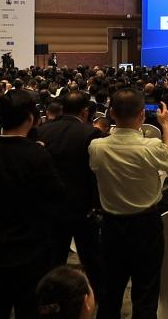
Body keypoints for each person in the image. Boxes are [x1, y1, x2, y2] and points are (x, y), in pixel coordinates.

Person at [0, 89, 65, 319]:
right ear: (31, 118)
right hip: (30, 249)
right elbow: (57, 197)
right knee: (29, 310)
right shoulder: (38, 155)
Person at [88, 90, 168, 319]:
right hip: (146, 226)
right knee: (146, 292)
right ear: (142, 115)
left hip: (111, 226)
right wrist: (166, 125)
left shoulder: (96, 146)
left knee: (110, 291)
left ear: (111, 113)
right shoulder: (151, 146)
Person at [33, 91, 105, 294]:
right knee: (92, 260)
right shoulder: (91, 134)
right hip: (84, 208)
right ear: (85, 111)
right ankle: (96, 298)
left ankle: (51, 300)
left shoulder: (42, 131)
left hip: (50, 206)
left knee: (53, 260)